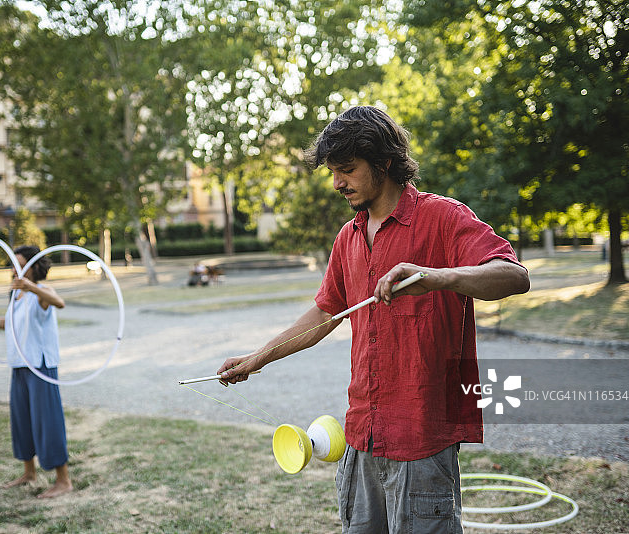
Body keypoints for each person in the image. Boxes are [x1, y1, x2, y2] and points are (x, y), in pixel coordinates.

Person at [218, 106, 530, 533]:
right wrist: (258, 357)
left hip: (422, 440)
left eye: (347, 169)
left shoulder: (443, 217)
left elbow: (514, 276)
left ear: (383, 163)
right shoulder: (348, 237)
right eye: (333, 171)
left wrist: (438, 278)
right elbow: (326, 312)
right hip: (362, 436)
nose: (337, 183)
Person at [0, 245, 73, 499]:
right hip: (19, 366)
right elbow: (8, 325)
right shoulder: (16, 296)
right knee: (22, 421)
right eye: (13, 264)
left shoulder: (42, 292)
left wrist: (30, 287)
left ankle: (63, 480)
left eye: (20, 264)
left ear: (33, 267)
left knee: (48, 422)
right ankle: (29, 473)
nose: (14, 269)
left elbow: (60, 303)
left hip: (40, 366)